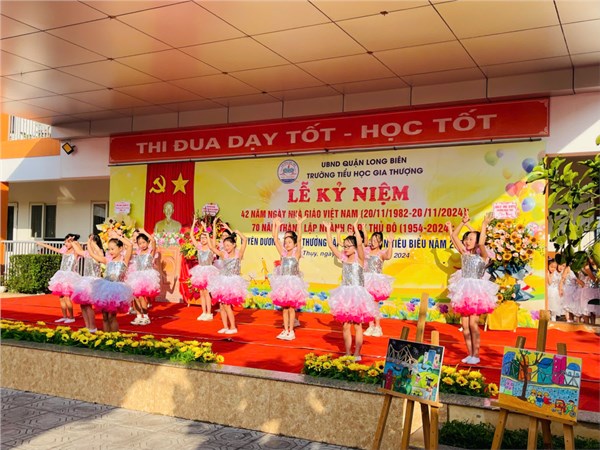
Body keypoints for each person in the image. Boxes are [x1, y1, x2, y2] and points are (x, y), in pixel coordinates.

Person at [324, 221, 379, 361]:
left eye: (348, 246)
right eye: (344, 246)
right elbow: (331, 245)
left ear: (354, 248)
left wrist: (356, 227)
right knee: (345, 326)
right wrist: (328, 229)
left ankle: (357, 353)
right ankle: (348, 352)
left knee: (357, 325)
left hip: (357, 295)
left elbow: (360, 244)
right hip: (345, 295)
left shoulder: (360, 259)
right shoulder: (344, 258)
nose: (345, 248)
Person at [448, 212, 498, 365]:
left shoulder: (482, 255)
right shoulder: (464, 253)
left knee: (472, 324)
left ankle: (476, 354)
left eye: (471, 239)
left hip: (476, 292)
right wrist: (463, 223)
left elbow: (482, 243)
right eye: (467, 239)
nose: (467, 241)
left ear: (476, 242)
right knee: (464, 325)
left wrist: (484, 225)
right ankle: (469, 353)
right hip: (464, 291)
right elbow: (454, 236)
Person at [88, 230, 134, 332]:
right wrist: (89, 242)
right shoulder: (108, 260)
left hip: (116, 291)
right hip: (105, 290)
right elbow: (91, 254)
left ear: (120, 248)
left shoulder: (124, 260)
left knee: (112, 317)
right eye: (109, 249)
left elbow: (130, 245)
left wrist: (118, 236)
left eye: (113, 249)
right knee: (105, 317)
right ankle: (106, 336)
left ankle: (114, 337)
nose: (110, 251)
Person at [270, 216, 308, 340]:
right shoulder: (283, 254)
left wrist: (299, 224)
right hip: (283, 283)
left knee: (291, 308)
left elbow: (300, 238)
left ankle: (291, 331)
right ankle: (285, 329)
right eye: (285, 242)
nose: (287, 244)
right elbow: (275, 239)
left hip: (293, 284)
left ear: (295, 244)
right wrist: (276, 226)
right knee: (284, 308)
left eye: (290, 242)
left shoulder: (296, 254)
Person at [207, 228, 248, 334]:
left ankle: (233, 327)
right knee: (221, 305)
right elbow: (211, 247)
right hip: (223, 281)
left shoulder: (239, 254)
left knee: (227, 305)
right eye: (225, 246)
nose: (226, 248)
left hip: (232, 282)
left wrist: (238, 232)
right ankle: (225, 326)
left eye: (228, 245)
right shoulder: (223, 254)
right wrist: (208, 235)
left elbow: (245, 240)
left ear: (234, 245)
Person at [37, 234, 81, 324]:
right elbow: (53, 248)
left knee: (67, 297)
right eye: (65, 242)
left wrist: (73, 241)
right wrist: (42, 244)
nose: (66, 244)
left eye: (68, 242)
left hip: (69, 276)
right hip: (61, 275)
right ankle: (64, 316)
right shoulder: (65, 251)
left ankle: (71, 317)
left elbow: (80, 249)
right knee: (61, 297)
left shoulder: (76, 252)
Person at [363, 230, 394, 337]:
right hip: (366, 279)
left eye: (376, 241)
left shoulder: (381, 253)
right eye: (372, 240)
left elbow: (388, 256)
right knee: (368, 304)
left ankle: (378, 327)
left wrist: (390, 243)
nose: (373, 243)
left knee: (374, 304)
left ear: (380, 243)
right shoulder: (366, 251)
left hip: (375, 281)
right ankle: (370, 326)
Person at [71, 235, 104, 332]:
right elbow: (78, 251)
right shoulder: (87, 253)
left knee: (88, 305)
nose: (88, 242)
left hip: (93, 281)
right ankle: (87, 325)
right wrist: (73, 241)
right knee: (83, 305)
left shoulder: (99, 252)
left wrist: (91, 243)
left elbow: (99, 252)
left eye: (91, 240)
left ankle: (92, 327)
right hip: (85, 280)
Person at [127, 231, 160, 325]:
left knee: (141, 296)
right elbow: (128, 250)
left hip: (146, 276)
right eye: (140, 243)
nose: (142, 245)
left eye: (144, 242)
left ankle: (145, 316)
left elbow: (153, 241)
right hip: (136, 276)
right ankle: (138, 316)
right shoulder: (138, 252)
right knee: (135, 296)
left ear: (147, 242)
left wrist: (144, 232)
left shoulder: (151, 252)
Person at [189, 218, 219, 321]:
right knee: (201, 292)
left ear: (208, 239)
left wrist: (212, 225)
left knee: (207, 292)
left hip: (208, 271)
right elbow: (191, 235)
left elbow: (214, 236)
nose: (203, 240)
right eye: (201, 238)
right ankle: (203, 312)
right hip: (200, 271)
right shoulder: (199, 247)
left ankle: (209, 313)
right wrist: (194, 223)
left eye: (205, 238)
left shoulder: (211, 247)